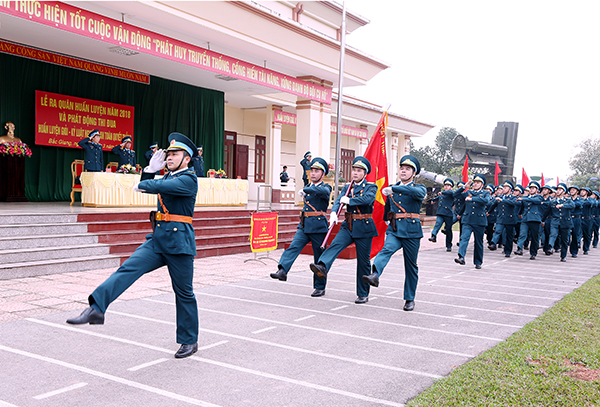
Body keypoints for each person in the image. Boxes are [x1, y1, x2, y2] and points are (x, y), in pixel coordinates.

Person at [67, 133, 200, 359]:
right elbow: (147, 185)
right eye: (168, 154)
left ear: (186, 159)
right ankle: (96, 308)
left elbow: (147, 186)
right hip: (158, 239)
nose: (168, 157)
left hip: (179, 244)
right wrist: (149, 170)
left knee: (184, 293)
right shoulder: (169, 176)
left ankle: (189, 340)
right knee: (128, 268)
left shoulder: (188, 179)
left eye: (174, 154)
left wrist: (148, 173)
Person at [309, 156, 377, 303]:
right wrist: (333, 212)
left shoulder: (371, 186)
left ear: (365, 173)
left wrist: (351, 201)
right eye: (354, 170)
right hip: (349, 225)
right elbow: (338, 200)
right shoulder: (347, 187)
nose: (355, 173)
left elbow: (368, 200)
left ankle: (362, 293)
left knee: (363, 262)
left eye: (359, 171)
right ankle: (322, 266)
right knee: (334, 245)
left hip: (364, 226)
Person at [363, 155, 426, 311]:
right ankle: (375, 274)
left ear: (414, 173)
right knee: (386, 249)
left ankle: (409, 298)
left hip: (412, 231)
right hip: (396, 230)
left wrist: (394, 188)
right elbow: (388, 208)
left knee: (411, 266)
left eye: (408, 169)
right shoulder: (392, 188)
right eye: (402, 168)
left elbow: (415, 194)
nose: (403, 171)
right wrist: (385, 219)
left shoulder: (419, 188)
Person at [270, 158, 331, 283]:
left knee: (318, 258)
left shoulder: (325, 187)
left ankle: (319, 287)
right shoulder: (308, 186)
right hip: (304, 225)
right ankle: (282, 270)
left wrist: (306, 190)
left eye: (317, 171)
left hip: (319, 226)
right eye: (312, 171)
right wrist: (306, 189)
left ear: (323, 174)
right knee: (293, 247)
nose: (313, 173)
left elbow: (323, 191)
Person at [454, 174, 490, 269]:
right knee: (464, 238)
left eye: (478, 182)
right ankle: (461, 256)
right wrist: (464, 187)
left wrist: (472, 199)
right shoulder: (468, 192)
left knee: (478, 242)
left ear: (482, 185)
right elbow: (456, 195)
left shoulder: (485, 193)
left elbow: (486, 201)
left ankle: (478, 262)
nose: (475, 184)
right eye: (474, 182)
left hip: (479, 221)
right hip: (467, 220)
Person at [545, 183, 575, 261]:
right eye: (557, 189)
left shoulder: (568, 200)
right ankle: (550, 247)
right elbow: (547, 211)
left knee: (564, 240)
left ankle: (563, 256)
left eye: (560, 190)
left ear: (564, 191)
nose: (558, 191)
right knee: (553, 234)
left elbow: (572, 206)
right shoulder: (552, 201)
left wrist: (562, 205)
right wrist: (542, 220)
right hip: (555, 221)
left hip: (565, 222)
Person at [488, 180, 518, 257]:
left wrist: (503, 200)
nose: (504, 189)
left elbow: (513, 203)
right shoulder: (499, 197)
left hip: (510, 219)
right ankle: (493, 243)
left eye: (506, 187)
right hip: (500, 218)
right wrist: (488, 212)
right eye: (503, 187)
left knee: (509, 236)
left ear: (510, 189)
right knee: (497, 231)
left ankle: (507, 251)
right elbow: (493, 204)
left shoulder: (513, 197)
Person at [514, 181, 543, 259]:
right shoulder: (526, 198)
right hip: (526, 218)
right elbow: (523, 207)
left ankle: (533, 252)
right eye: (530, 188)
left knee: (534, 236)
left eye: (533, 188)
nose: (531, 190)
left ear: (537, 190)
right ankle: (519, 248)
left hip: (535, 219)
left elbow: (537, 201)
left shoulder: (539, 197)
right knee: (522, 234)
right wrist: (520, 214)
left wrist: (524, 199)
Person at [428, 178, 455, 252]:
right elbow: (438, 197)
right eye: (445, 185)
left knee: (448, 230)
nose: (446, 187)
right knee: (437, 224)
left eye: (448, 185)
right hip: (440, 213)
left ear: (451, 187)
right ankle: (433, 236)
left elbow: (448, 194)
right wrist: (433, 200)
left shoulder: (451, 193)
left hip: (448, 214)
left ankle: (449, 245)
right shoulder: (442, 193)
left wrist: (442, 193)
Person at [568, 185, 582, 257]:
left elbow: (578, 204)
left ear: (577, 191)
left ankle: (574, 251)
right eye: (571, 190)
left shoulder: (580, 199)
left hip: (576, 218)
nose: (572, 191)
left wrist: (569, 204)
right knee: (566, 234)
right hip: (568, 218)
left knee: (575, 235)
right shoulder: (567, 199)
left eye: (574, 190)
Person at [579, 187, 594, 255]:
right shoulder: (578, 199)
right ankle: (577, 246)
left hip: (587, 219)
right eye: (581, 191)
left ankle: (586, 248)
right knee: (577, 233)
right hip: (579, 218)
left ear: (587, 193)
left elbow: (592, 203)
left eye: (584, 191)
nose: (582, 192)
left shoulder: (590, 199)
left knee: (587, 235)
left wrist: (583, 202)